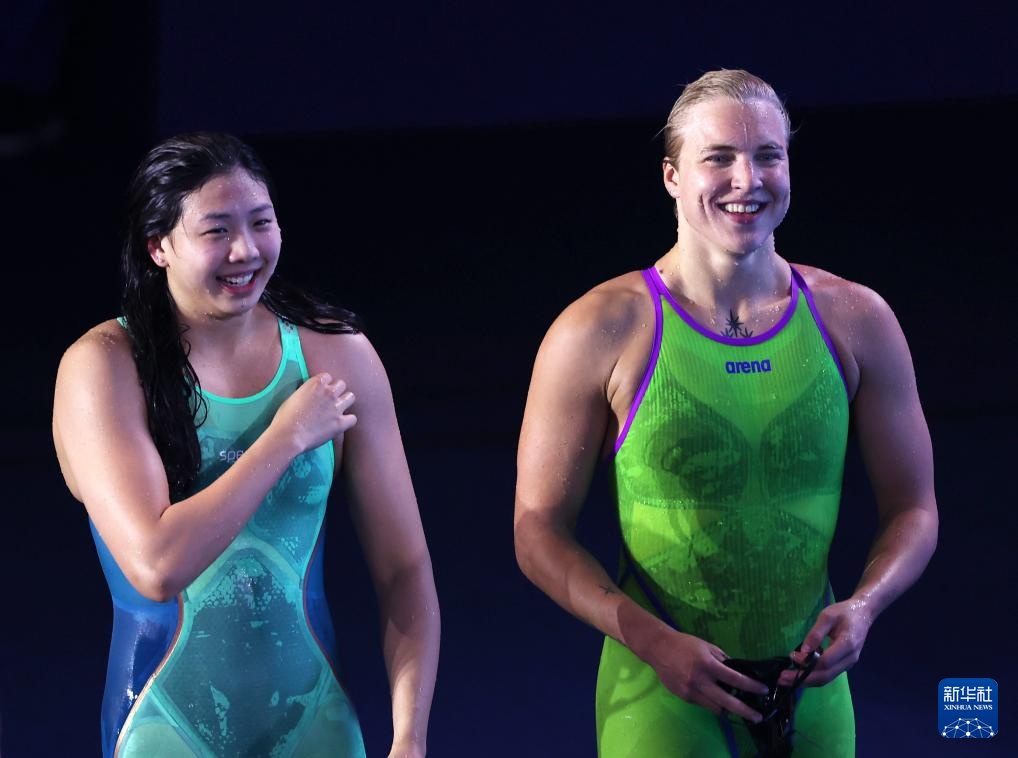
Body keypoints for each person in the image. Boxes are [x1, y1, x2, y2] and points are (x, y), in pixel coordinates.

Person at [514, 69, 937, 757]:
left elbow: (914, 508)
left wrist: (865, 606)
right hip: (660, 695)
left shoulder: (857, 320)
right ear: (672, 176)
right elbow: (537, 529)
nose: (748, 180)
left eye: (769, 155)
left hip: (815, 696)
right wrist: (651, 640)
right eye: (719, 158)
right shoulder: (599, 330)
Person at [53, 133, 440, 758]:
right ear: (159, 246)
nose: (246, 250)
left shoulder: (335, 355)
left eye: (261, 223)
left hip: (316, 724)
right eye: (217, 231)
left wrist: (410, 736)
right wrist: (285, 437)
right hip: (162, 726)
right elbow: (157, 566)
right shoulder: (104, 369)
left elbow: (405, 569)